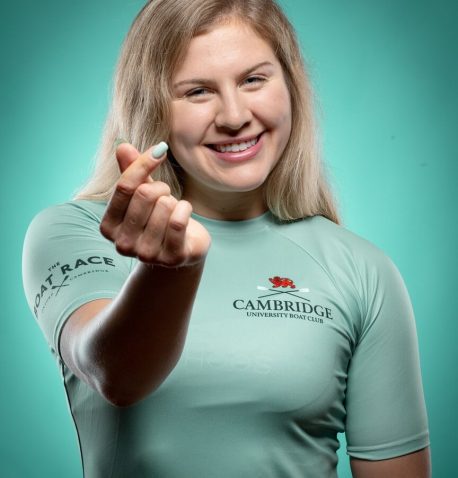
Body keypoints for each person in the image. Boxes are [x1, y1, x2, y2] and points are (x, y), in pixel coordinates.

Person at [22, 0, 431, 476]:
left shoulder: (363, 270)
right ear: (151, 105)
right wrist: (169, 269)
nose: (235, 116)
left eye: (254, 80)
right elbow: (115, 376)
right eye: (198, 91)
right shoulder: (74, 232)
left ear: (291, 87)